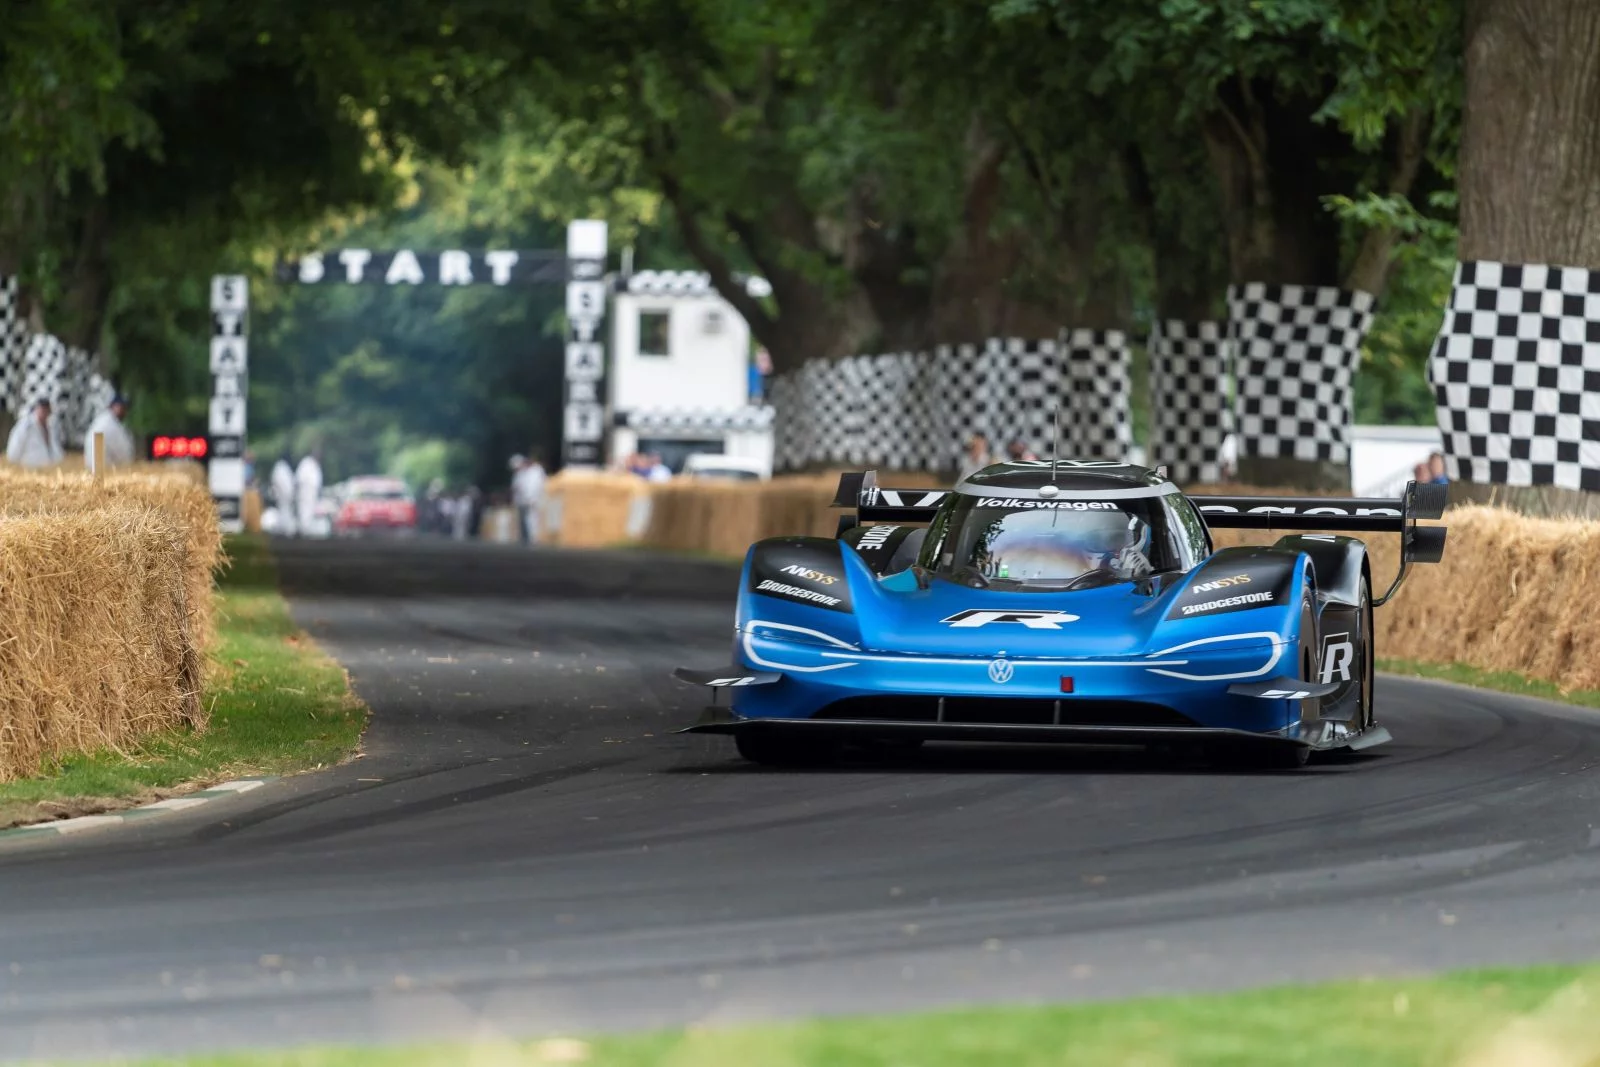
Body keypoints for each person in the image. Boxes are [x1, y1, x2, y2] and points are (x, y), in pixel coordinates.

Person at [84, 393, 135, 472]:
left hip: (92, 468)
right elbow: (125, 456)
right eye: (122, 407)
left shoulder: (102, 419)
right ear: (114, 406)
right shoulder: (112, 425)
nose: (124, 411)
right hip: (105, 470)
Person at [6, 398, 63, 468]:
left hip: (48, 469)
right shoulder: (26, 426)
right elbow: (14, 449)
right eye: (43, 410)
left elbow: (55, 450)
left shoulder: (51, 426)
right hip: (29, 468)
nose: (45, 413)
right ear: (37, 409)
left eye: (47, 411)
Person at [511, 453, 547, 544]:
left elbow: (538, 485)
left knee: (533, 518)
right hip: (524, 499)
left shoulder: (537, 470)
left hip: (535, 498)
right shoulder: (522, 473)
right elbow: (518, 487)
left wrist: (533, 497)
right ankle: (528, 537)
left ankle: (533, 537)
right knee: (527, 518)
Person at [295, 449, 323, 537]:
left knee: (310, 510)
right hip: (305, 492)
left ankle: (308, 529)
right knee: (304, 510)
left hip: (312, 493)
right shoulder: (306, 463)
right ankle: (304, 529)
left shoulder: (315, 465)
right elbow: (300, 478)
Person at [270, 456, 298, 536]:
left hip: (285, 499)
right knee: (283, 515)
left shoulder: (283, 469)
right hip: (283, 498)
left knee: (286, 514)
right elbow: (284, 486)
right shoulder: (281, 468)